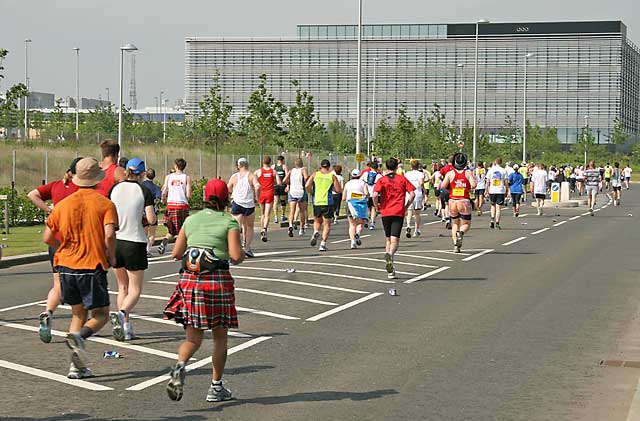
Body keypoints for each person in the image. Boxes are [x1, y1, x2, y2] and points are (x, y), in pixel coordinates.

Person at [164, 179, 243, 402]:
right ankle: (216, 387)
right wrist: (241, 252)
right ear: (226, 199)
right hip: (216, 282)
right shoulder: (229, 222)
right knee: (220, 337)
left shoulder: (191, 220)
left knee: (193, 338)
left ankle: (180, 365)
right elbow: (236, 256)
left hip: (189, 282)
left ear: (205, 198)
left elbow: (176, 253)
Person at [42, 157, 118, 379]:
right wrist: (110, 255)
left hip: (66, 265)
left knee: (78, 314)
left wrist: (62, 246)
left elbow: (47, 237)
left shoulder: (63, 205)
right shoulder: (105, 203)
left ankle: (77, 366)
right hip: (91, 265)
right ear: (97, 180)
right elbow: (110, 234)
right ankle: (81, 337)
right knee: (101, 314)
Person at [27, 157, 81, 343]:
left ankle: (48, 312)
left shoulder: (57, 185)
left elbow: (32, 194)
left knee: (58, 283)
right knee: (80, 286)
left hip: (55, 242)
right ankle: (79, 326)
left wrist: (49, 210)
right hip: (75, 244)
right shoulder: (81, 190)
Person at [109, 158, 157, 341]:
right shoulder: (144, 190)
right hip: (134, 241)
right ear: (142, 173)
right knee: (135, 289)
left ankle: (126, 327)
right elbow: (151, 219)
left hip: (116, 240)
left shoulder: (115, 188)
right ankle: (121, 314)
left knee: (123, 286)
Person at [373, 158, 415, 279]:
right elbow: (412, 193)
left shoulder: (382, 180)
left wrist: (377, 206)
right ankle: (390, 255)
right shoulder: (402, 179)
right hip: (398, 211)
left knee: (388, 239)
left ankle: (390, 270)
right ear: (397, 167)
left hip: (385, 211)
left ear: (386, 167)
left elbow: (375, 194)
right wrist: (406, 205)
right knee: (395, 239)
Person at [440, 153, 476, 253]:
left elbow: (442, 186)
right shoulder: (467, 173)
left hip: (452, 201)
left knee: (454, 223)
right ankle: (461, 232)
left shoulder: (450, 173)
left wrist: (452, 186)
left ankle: (456, 245)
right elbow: (474, 185)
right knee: (466, 223)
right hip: (464, 200)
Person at [306, 159, 342, 251]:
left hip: (317, 201)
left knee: (317, 221)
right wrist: (332, 188)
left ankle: (316, 231)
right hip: (328, 202)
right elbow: (338, 190)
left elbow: (307, 185)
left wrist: (311, 192)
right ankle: (322, 244)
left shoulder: (315, 175)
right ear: (329, 167)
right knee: (327, 224)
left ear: (321, 166)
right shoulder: (332, 176)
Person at [228, 158, 259, 257]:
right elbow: (257, 186)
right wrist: (257, 197)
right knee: (249, 226)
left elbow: (228, 187)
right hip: (249, 204)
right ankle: (247, 248)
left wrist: (230, 197)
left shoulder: (234, 176)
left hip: (237, 203)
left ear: (238, 166)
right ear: (247, 165)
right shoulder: (251, 175)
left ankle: (235, 248)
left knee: (236, 227)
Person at [159, 159, 191, 255]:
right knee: (184, 229)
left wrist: (163, 199)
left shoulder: (168, 177)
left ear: (176, 166)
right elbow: (188, 194)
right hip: (182, 205)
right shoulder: (186, 178)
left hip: (171, 205)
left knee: (171, 230)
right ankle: (183, 250)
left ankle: (165, 241)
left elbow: (164, 191)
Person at [255, 156, 281, 243]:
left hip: (261, 194)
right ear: (270, 162)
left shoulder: (258, 172)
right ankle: (265, 229)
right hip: (269, 193)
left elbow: (254, 182)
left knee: (262, 214)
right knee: (267, 214)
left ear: (262, 162)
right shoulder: (273, 172)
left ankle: (263, 229)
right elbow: (279, 182)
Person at [343, 169, 369, 249]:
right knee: (360, 222)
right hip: (361, 204)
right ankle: (358, 233)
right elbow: (366, 193)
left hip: (350, 204)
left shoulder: (347, 184)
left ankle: (352, 242)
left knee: (352, 224)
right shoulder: (363, 183)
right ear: (359, 175)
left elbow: (343, 198)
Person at [283, 158, 309, 237]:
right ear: (302, 164)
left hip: (292, 191)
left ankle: (290, 225)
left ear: (295, 164)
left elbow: (284, 180)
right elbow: (306, 177)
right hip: (301, 191)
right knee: (302, 211)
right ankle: (301, 229)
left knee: (292, 210)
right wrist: (305, 182)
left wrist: (289, 183)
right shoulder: (303, 170)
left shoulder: (291, 171)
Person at [141, 168, 162, 257]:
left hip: (142, 212)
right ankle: (148, 249)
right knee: (152, 233)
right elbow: (158, 199)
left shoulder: (141, 185)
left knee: (144, 232)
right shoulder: (156, 188)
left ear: (146, 175)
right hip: (153, 211)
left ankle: (142, 249)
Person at [404, 160, 426, 238]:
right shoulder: (420, 174)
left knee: (409, 211)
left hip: (408, 193)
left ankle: (408, 225)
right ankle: (416, 229)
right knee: (417, 213)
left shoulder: (407, 174)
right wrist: (423, 189)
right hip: (417, 193)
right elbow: (421, 183)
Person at [486, 157, 509, 229]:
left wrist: (486, 190)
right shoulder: (503, 170)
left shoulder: (491, 170)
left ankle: (492, 219)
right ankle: (497, 223)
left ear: (495, 162)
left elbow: (487, 181)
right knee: (498, 207)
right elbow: (506, 182)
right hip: (500, 190)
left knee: (492, 206)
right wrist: (507, 190)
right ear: (501, 162)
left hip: (492, 190)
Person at [361, 161, 382, 229]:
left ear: (370, 167)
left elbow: (361, 181)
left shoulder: (365, 174)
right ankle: (372, 223)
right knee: (374, 208)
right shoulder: (379, 176)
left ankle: (368, 219)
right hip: (375, 194)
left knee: (368, 207)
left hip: (367, 193)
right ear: (377, 168)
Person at [273, 156, 289, 224]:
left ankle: (276, 216)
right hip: (282, 186)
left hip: (275, 186)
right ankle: (282, 215)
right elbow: (287, 176)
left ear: (277, 160)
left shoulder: (273, 166)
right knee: (282, 201)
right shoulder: (284, 166)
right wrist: (288, 185)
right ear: (282, 160)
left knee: (275, 201)